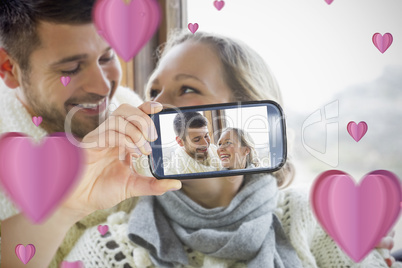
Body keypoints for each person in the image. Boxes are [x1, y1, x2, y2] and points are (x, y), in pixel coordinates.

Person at [62, 30, 400, 268]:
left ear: (247, 114)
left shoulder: (313, 218)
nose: (157, 106)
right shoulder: (111, 246)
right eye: (153, 91)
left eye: (187, 89)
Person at [0, 1, 182, 267]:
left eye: (107, 57)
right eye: (71, 69)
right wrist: (67, 204)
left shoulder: (130, 108)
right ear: (9, 68)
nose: (103, 87)